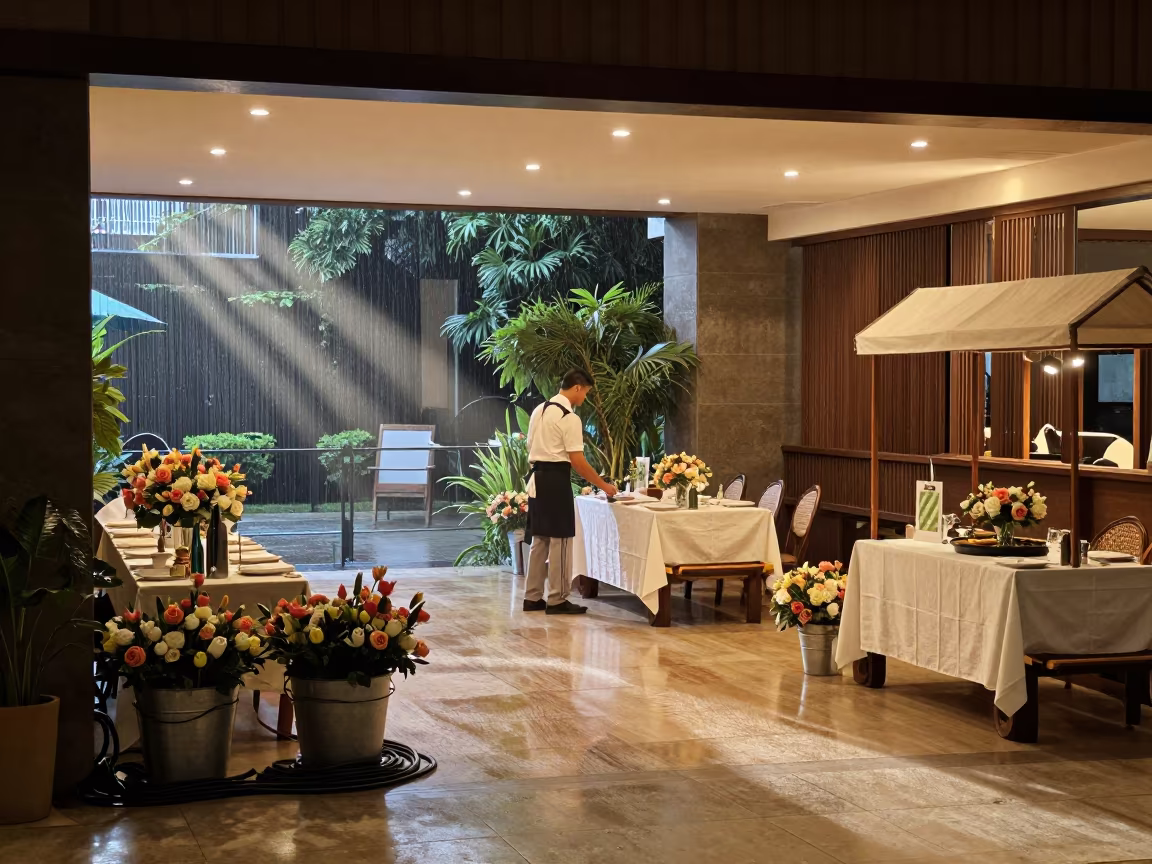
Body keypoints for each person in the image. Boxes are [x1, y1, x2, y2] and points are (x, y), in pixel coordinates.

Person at [523, 369, 617, 614]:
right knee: (561, 540)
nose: (585, 397)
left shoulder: (539, 409)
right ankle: (557, 599)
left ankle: (532, 597)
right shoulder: (569, 417)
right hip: (556, 480)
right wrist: (604, 486)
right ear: (577, 388)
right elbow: (578, 461)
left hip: (536, 479)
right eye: (585, 392)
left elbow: (530, 445)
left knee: (540, 539)